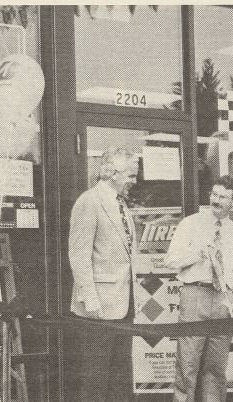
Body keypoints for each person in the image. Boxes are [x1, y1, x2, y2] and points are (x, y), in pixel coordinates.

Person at [165, 175, 233, 402]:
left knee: (216, 366)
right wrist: (198, 253)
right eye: (214, 194)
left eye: (223, 197)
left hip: (224, 299)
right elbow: (171, 260)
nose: (216, 200)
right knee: (188, 363)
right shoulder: (190, 224)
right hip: (195, 294)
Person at [68, 147, 139, 402]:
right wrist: (91, 299)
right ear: (111, 173)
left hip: (123, 305)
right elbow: (79, 255)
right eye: (130, 175)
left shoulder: (121, 204)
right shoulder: (89, 201)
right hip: (98, 308)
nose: (134, 181)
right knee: (94, 380)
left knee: (120, 379)